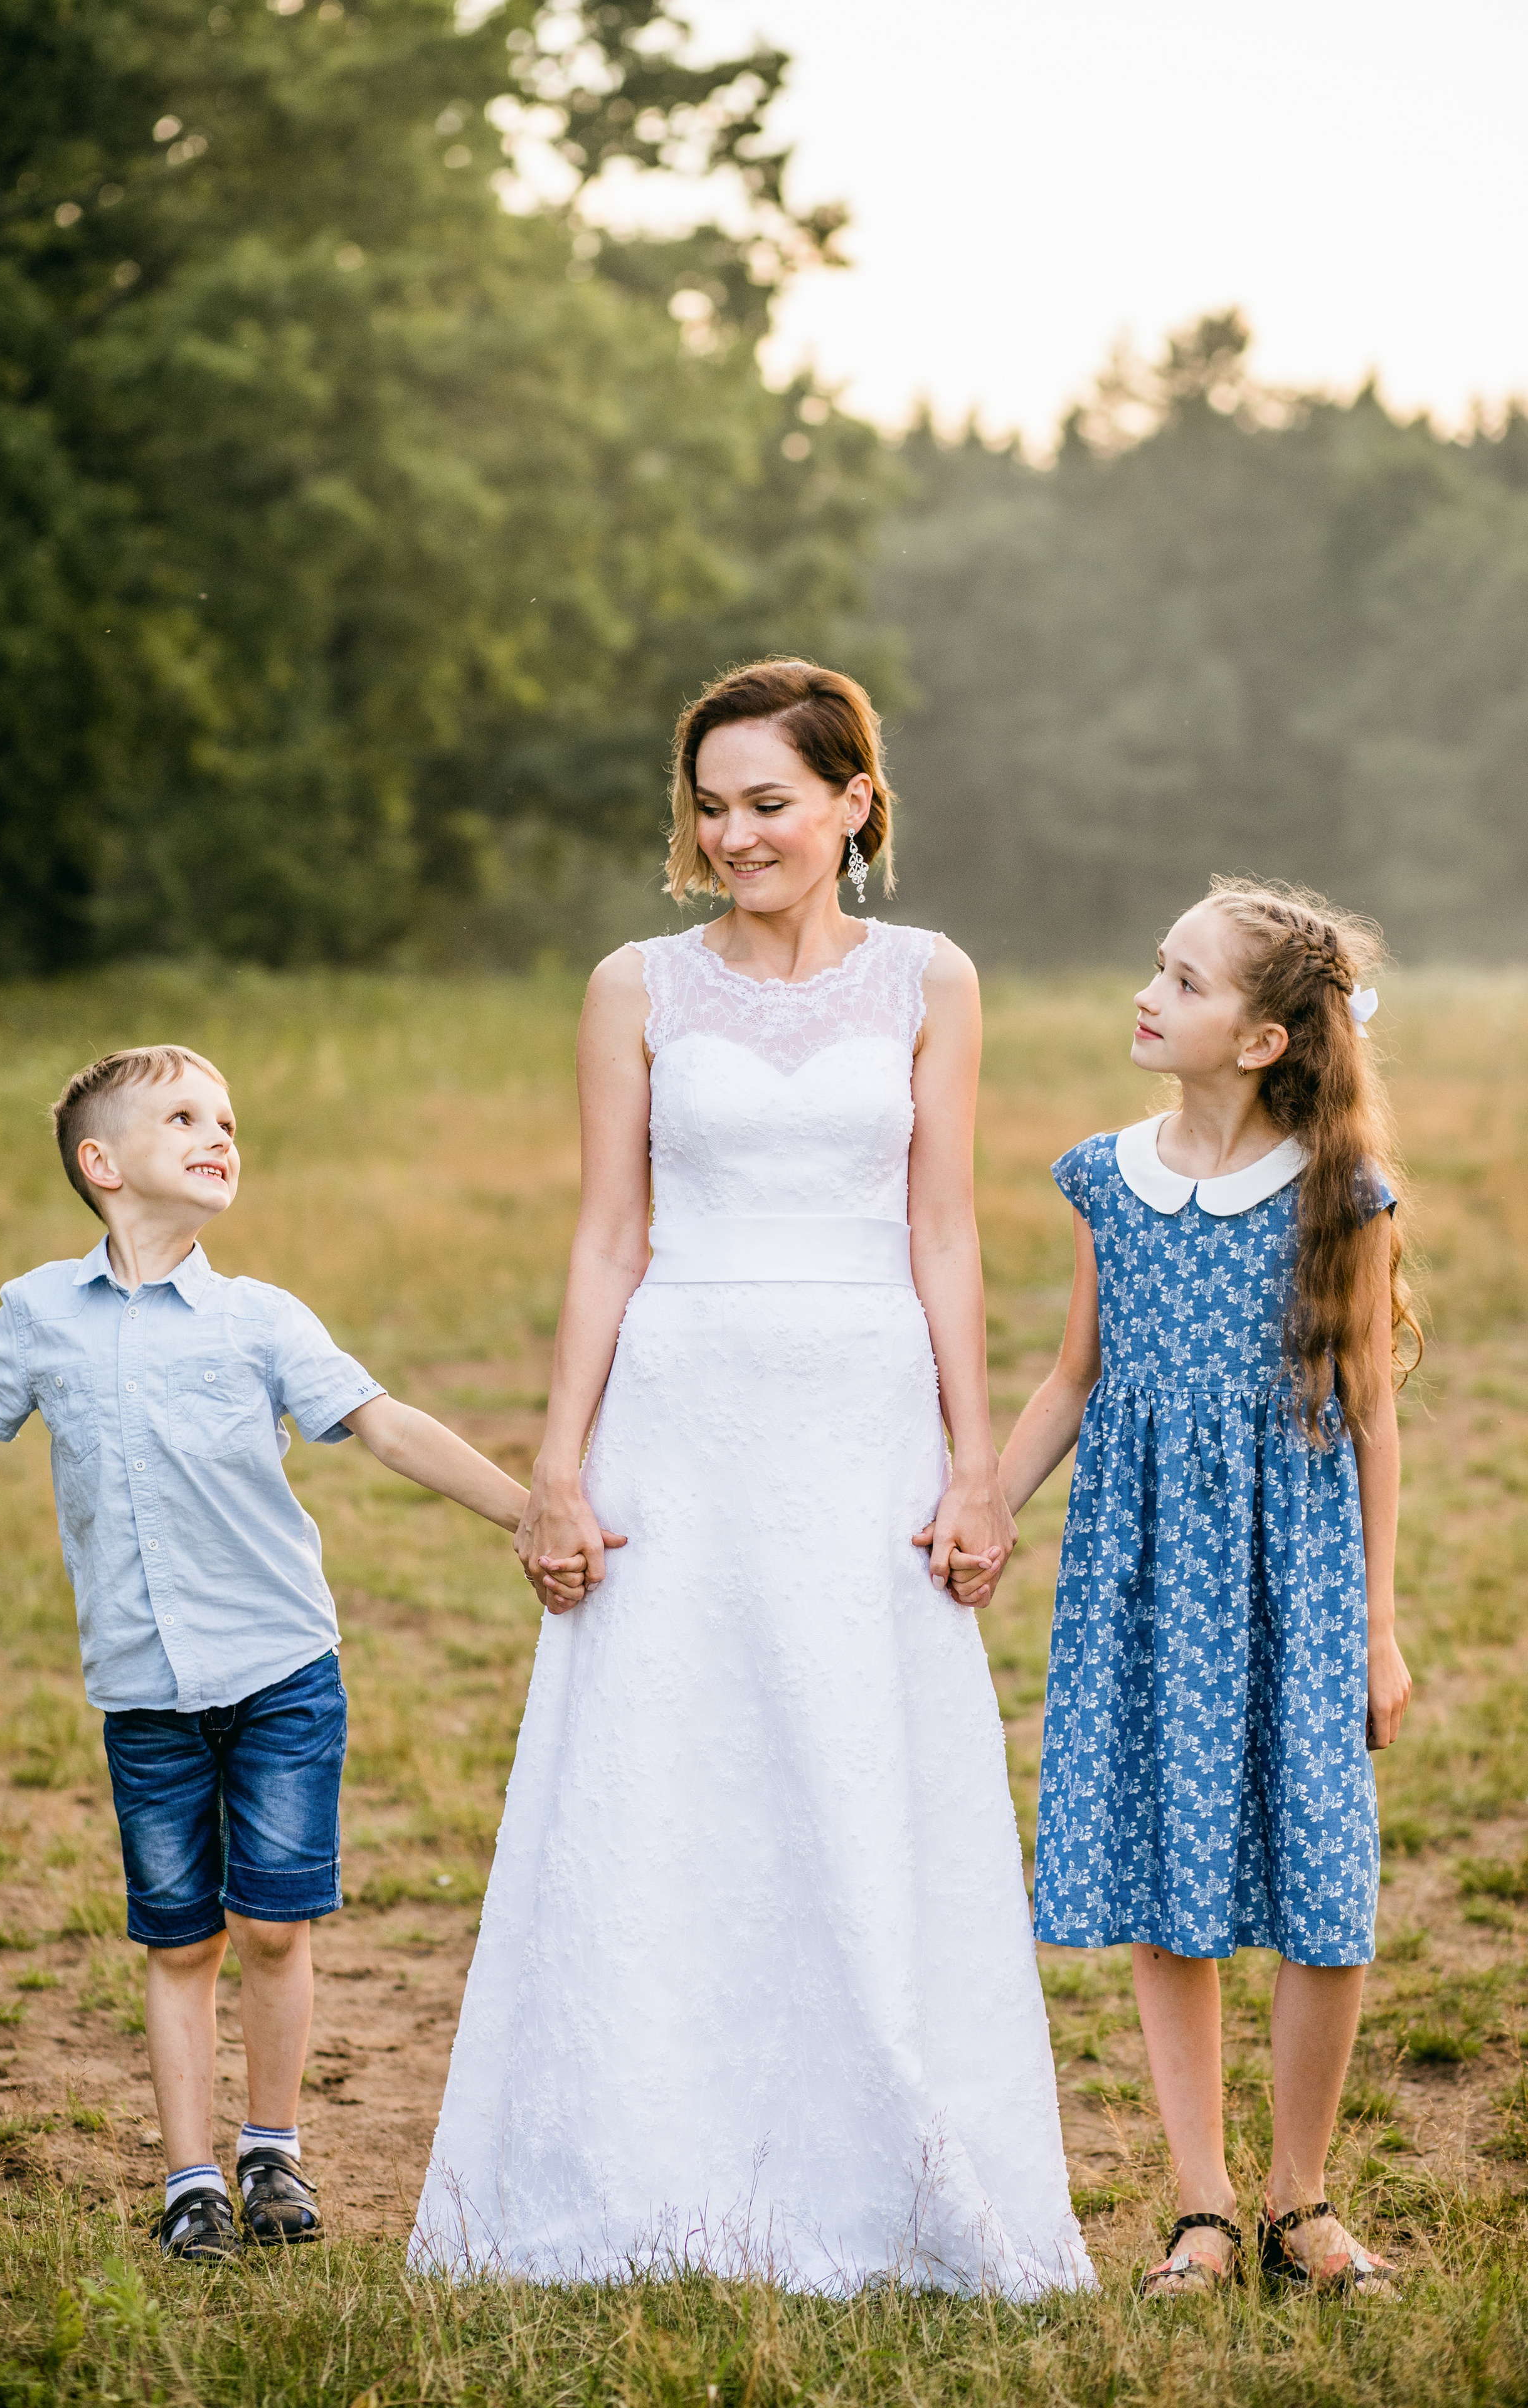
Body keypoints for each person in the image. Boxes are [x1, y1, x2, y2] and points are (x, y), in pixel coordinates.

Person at [412, 659, 1091, 2296]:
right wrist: (558, 1466)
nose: (735, 834)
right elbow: (606, 1236)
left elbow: (942, 1227)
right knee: (661, 1777)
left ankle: (887, 2168)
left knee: (864, 1770)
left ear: (855, 802)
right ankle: (636, 2178)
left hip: (862, 1424)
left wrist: (974, 1466)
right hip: (683, 1416)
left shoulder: (933, 979)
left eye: (769, 802)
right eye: (709, 806)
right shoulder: (634, 987)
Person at [0, 1045, 590, 2262]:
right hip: (141, 1689)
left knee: (276, 1928)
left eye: (227, 1118)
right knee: (179, 1940)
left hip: (282, 1673)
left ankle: (271, 2150)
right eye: (184, 1117)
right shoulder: (38, 1318)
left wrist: (529, 1508)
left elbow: (384, 1426)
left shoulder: (259, 1320)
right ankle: (190, 2180)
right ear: (103, 1164)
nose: (219, 1134)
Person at [997, 879, 1419, 2299]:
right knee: (1167, 1877)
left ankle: (1301, 2201)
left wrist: (1373, 1625)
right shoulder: (1103, 1178)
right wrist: (980, 1508)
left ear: (1258, 1042)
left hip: (1292, 1579)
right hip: (1143, 1579)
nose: (1146, 993)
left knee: (1321, 1875)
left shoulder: (1335, 1194)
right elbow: (1073, 1375)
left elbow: (1370, 1409)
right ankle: (1202, 2206)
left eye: (1181, 980)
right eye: (1154, 969)